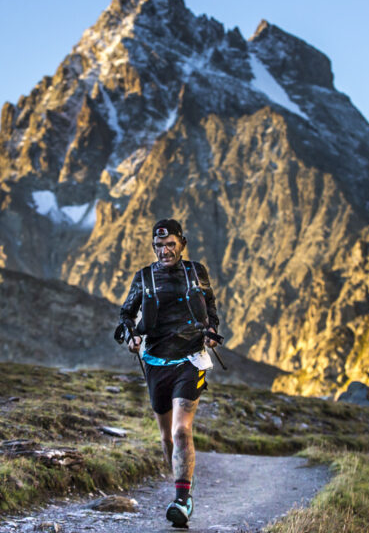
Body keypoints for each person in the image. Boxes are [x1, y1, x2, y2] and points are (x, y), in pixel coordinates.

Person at [115, 218, 222, 527]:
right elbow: (126, 313)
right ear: (153, 247)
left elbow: (210, 305)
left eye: (171, 244)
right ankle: (182, 480)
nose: (165, 251)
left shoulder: (195, 272)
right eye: (159, 246)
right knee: (166, 436)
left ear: (182, 244)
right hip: (155, 362)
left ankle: (182, 498)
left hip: (191, 359)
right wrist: (131, 334)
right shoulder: (144, 277)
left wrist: (211, 329)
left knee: (180, 430)